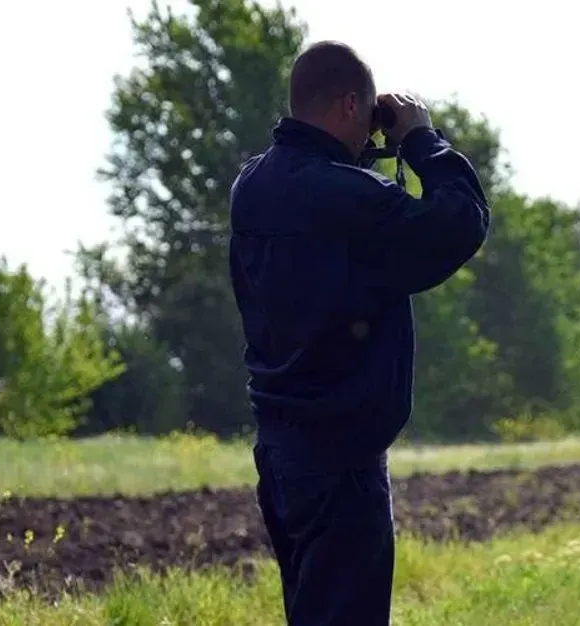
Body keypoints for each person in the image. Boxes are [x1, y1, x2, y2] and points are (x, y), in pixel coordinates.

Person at [227, 40, 490, 626]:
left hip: (280, 453)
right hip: (341, 460)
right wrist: (421, 138)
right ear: (351, 104)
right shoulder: (346, 198)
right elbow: (459, 222)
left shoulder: (253, 187)